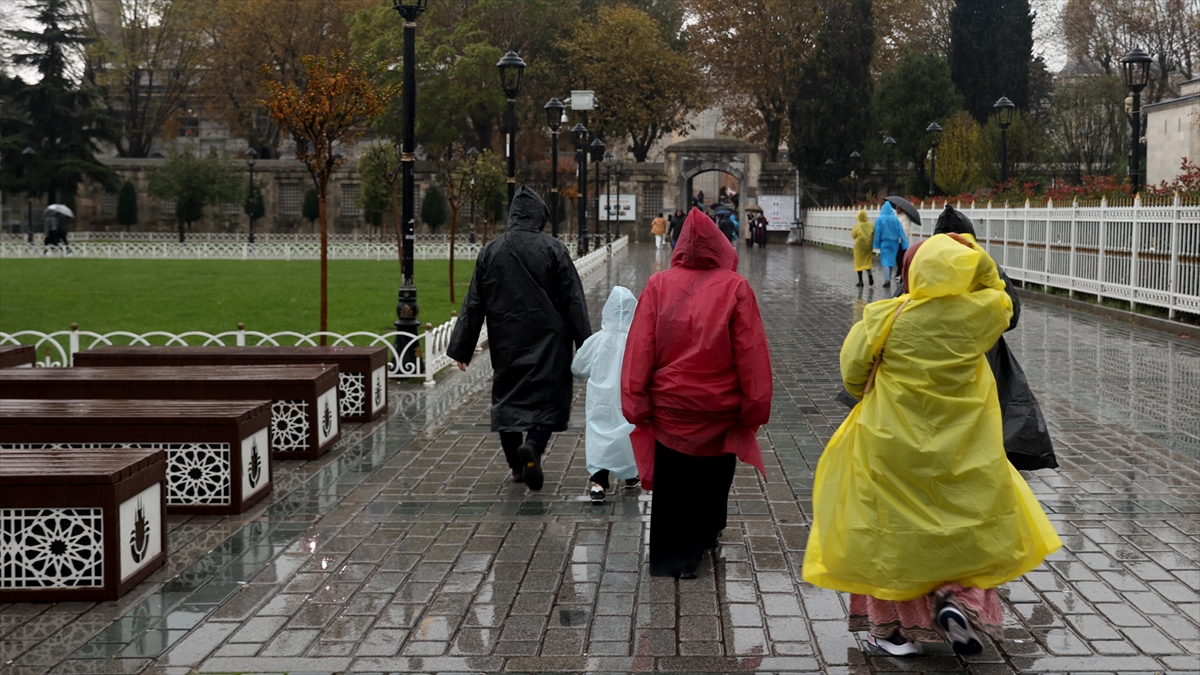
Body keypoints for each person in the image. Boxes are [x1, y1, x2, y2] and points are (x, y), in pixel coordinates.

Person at [803, 233, 1061, 657]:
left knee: (891, 533)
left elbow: (852, 376)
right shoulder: (980, 315)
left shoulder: (885, 316)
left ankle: (894, 632)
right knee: (967, 524)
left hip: (889, 444)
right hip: (965, 444)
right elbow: (1001, 292)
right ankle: (959, 600)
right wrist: (971, 255)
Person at [622, 208, 773, 579]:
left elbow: (640, 349)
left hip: (671, 408)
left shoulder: (658, 285)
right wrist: (754, 408)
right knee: (713, 478)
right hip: (719, 410)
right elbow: (750, 354)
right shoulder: (735, 287)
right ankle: (706, 535)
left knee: (674, 484)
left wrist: (636, 403)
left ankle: (674, 556)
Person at [447, 185, 592, 491]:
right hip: (550, 340)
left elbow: (475, 301)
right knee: (550, 397)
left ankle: (516, 464)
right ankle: (535, 446)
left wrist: (463, 347)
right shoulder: (554, 249)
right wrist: (586, 345)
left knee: (508, 400)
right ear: (540, 215)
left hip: (507, 337)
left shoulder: (491, 250)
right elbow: (574, 301)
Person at [572, 286, 640, 504]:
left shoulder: (598, 340)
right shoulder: (637, 341)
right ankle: (630, 474)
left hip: (599, 400)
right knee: (627, 434)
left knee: (599, 436)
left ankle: (599, 482)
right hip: (628, 398)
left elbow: (578, 367)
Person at [872, 201, 908, 289]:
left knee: (885, 261)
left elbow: (877, 232)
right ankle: (888, 278)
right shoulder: (895, 219)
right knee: (891, 261)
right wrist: (904, 243)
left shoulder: (880, 219)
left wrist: (876, 243)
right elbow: (901, 232)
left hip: (884, 242)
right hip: (894, 243)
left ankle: (887, 280)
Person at [850, 209, 875, 287]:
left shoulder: (858, 225)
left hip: (859, 246)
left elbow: (853, 235)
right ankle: (869, 274)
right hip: (868, 245)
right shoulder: (870, 224)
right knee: (867, 261)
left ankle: (860, 281)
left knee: (859, 262)